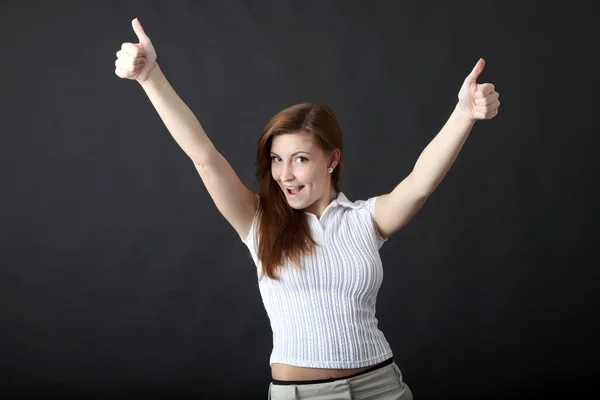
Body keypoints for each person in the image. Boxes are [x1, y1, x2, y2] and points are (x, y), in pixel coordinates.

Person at [114, 17, 500, 400]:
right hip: (301, 394)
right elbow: (205, 158)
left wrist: (464, 115)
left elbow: (420, 182)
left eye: (300, 159)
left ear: (332, 159)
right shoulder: (259, 222)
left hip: (380, 386)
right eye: (277, 160)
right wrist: (151, 77)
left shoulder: (365, 220)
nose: (284, 174)